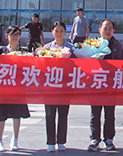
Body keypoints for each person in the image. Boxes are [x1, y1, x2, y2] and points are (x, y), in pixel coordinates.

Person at [87, 19, 123, 152]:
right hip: (96, 84)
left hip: (110, 85)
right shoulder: (93, 44)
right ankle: (94, 139)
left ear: (113, 31)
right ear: (99, 30)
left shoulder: (117, 45)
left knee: (110, 114)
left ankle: (109, 139)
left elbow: (120, 65)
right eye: (105, 28)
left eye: (110, 29)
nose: (107, 31)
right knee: (95, 113)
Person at [0, 26, 31, 152]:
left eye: (17, 34)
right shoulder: (1, 51)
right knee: (1, 115)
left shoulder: (23, 52)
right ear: (7, 36)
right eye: (12, 34)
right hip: (3, 87)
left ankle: (15, 139)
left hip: (18, 88)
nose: (15, 37)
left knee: (17, 115)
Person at [43, 21, 75, 152]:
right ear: (52, 32)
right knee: (50, 114)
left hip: (65, 86)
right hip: (50, 86)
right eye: (56, 31)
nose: (59, 33)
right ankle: (50, 142)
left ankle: (61, 141)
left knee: (63, 114)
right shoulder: (47, 48)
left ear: (65, 32)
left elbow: (76, 65)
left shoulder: (71, 48)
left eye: (61, 31)